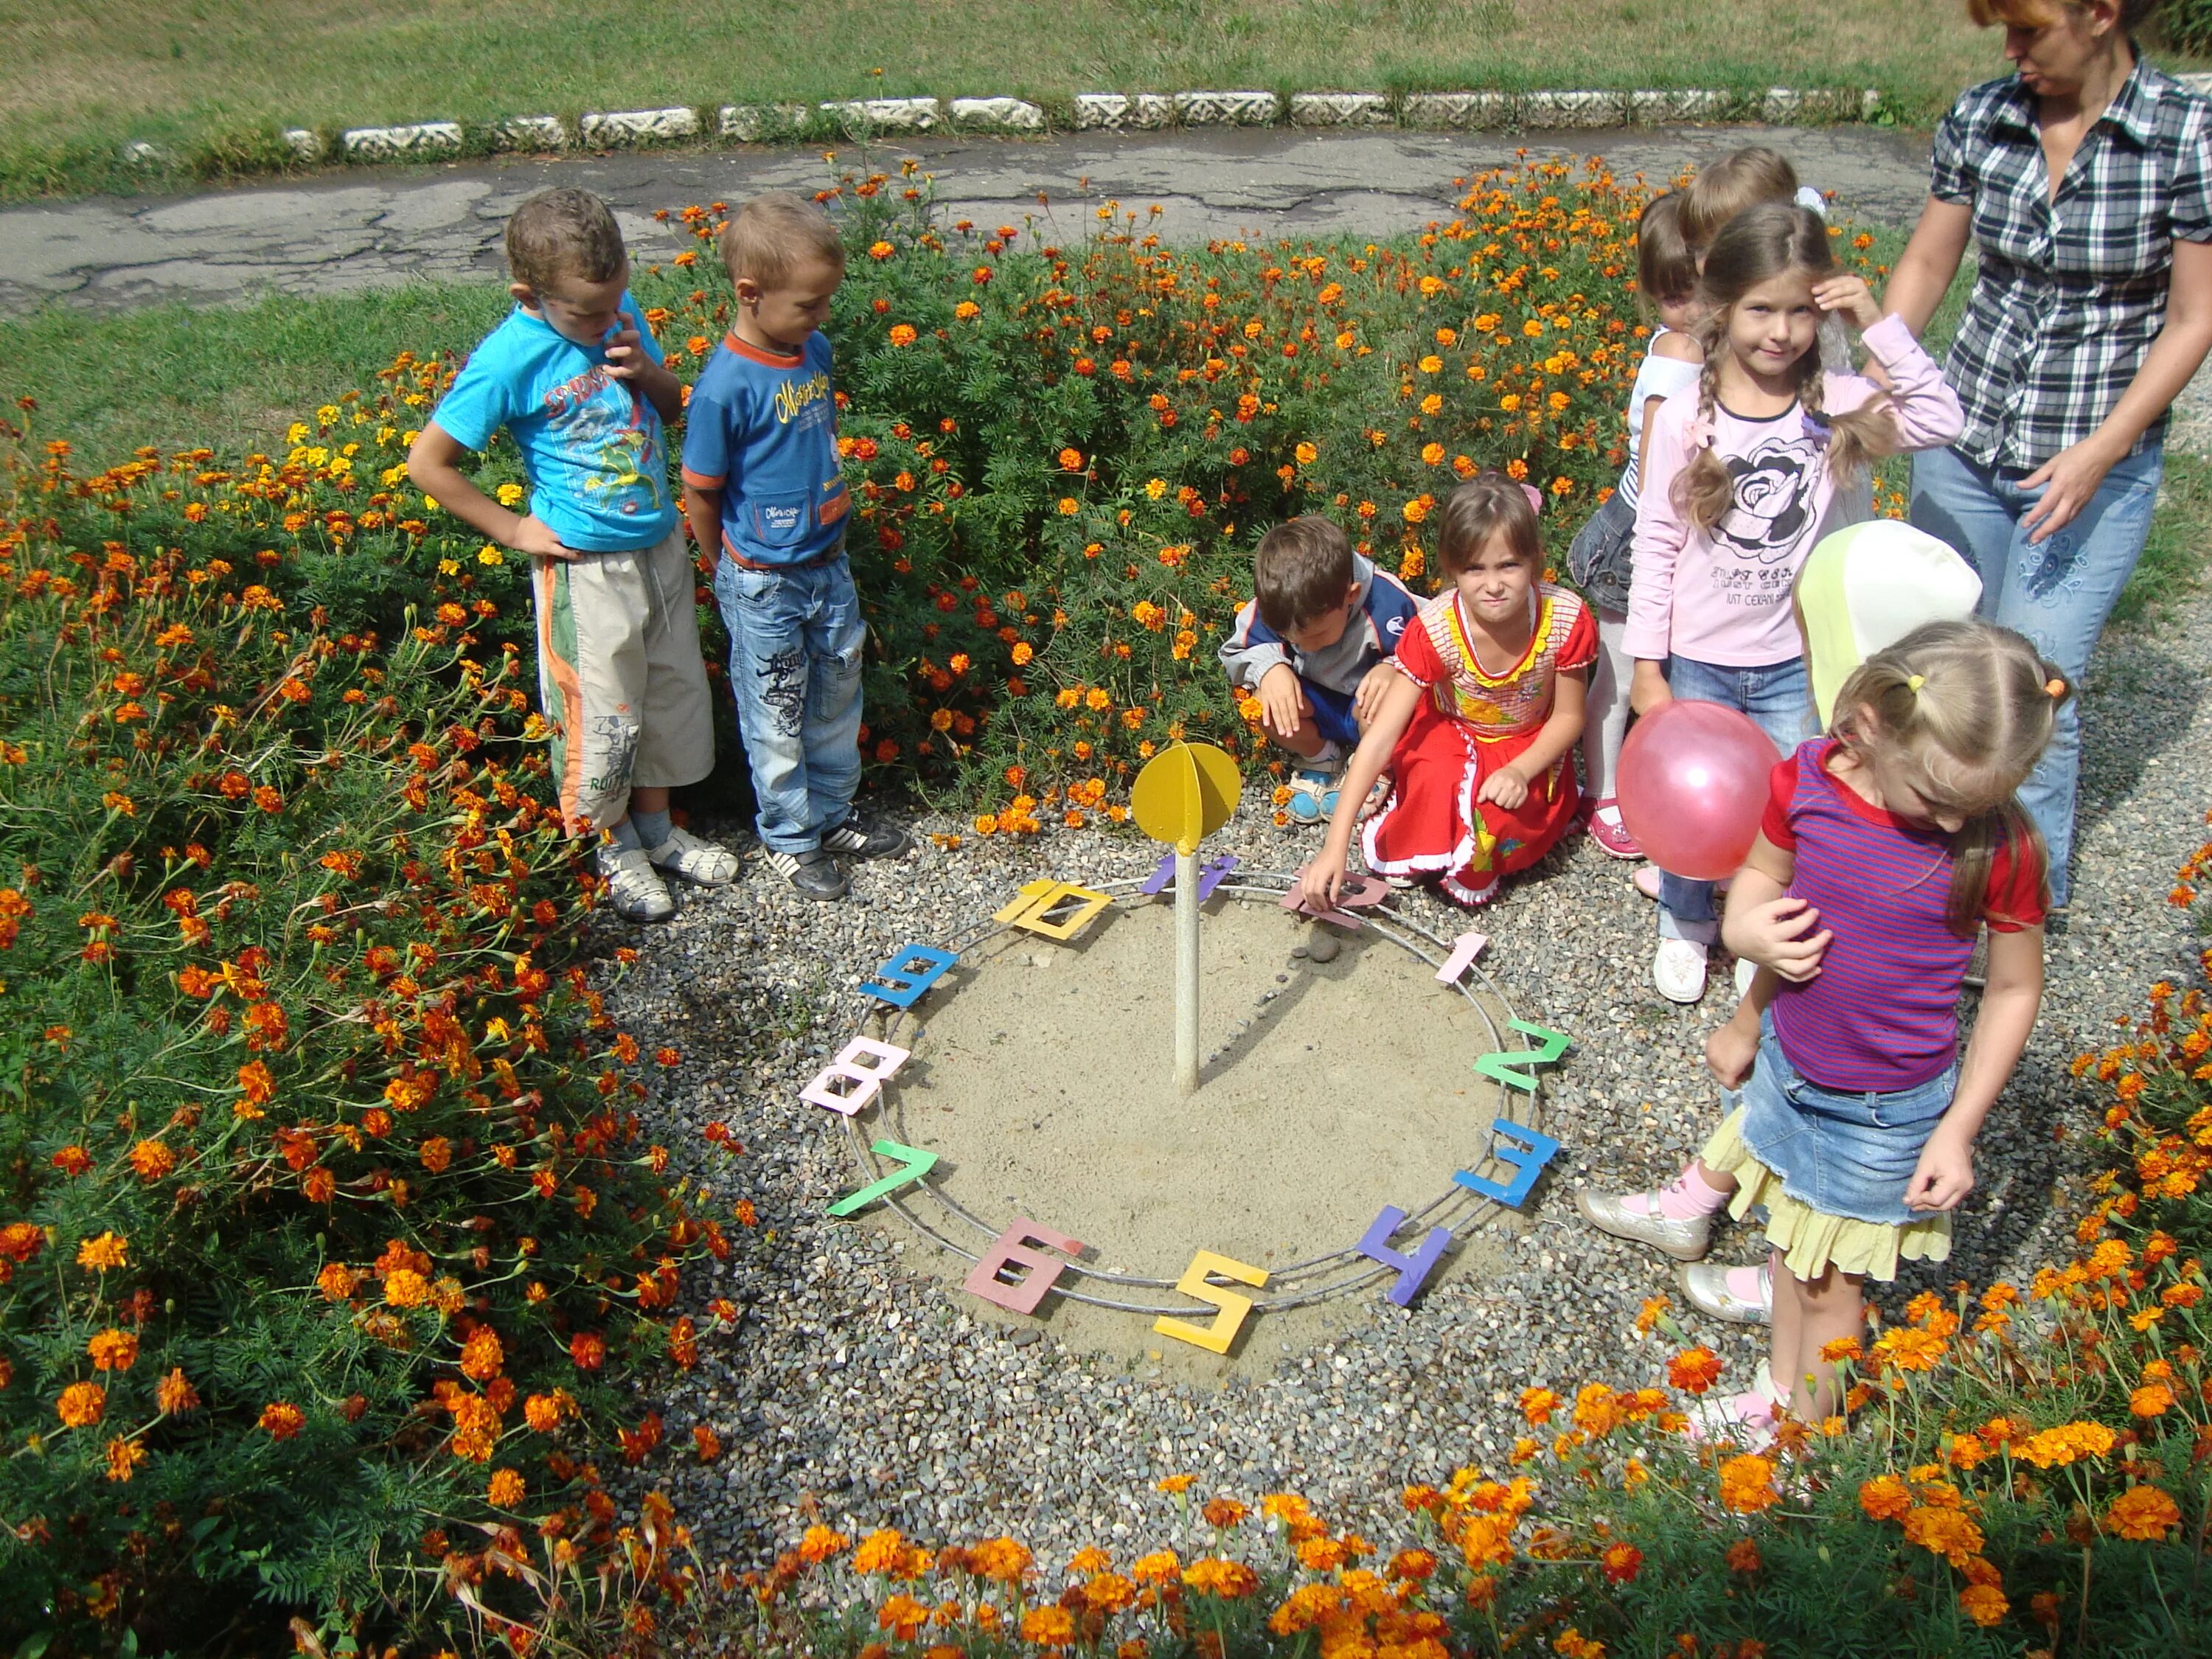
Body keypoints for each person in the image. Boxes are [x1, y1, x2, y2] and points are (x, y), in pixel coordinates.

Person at [1578, 620, 2063, 1433]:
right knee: (1788, 1244)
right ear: (1869, 730)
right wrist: (1743, 966)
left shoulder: (1999, 843)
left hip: (1883, 1110)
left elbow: (2014, 990)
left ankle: (1798, 1432)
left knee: (1830, 1287)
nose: (1951, 827)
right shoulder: (1808, 781)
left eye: (1971, 806)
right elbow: (1768, 892)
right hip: (1788, 1065)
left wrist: (1959, 1130)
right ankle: (1780, 1397)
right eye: (1939, 801)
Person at [1888, 0, 2212, 919]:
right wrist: (1878, 372)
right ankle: (1921, 882)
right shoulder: (1984, 116)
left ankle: (2014, 913)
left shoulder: (2184, 134)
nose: (2011, 50)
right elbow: (1927, 261)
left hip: (2091, 464)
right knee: (1946, 669)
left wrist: (2104, 451)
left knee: (2037, 686)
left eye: (2029, 29)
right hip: (1966, 442)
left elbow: (2194, 318)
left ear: (2101, 13)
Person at [1627, 203, 1965, 1003]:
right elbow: (1656, 544)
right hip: (1701, 658)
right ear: (1722, 307)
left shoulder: (1834, 402)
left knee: (1783, 814)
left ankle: (1760, 923)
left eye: (1800, 311)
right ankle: (1685, 919)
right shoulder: (1683, 415)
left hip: (1792, 662)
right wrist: (1648, 667)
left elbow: (1940, 419)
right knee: (1694, 805)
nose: (1780, 332)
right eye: (1760, 309)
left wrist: (1875, 319)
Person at [408, 187, 734, 925]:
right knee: (602, 711)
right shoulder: (509, 358)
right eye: (584, 314)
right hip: (585, 566)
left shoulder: (618, 318)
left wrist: (642, 370)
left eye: (613, 304)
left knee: (665, 691)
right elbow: (429, 462)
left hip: (656, 545)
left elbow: (670, 403)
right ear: (530, 294)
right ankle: (610, 843)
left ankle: (657, 827)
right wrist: (511, 528)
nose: (601, 323)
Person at [682, 192, 909, 902]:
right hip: (764, 580)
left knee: (838, 693)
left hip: (825, 563)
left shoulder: (813, 351)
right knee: (776, 709)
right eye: (808, 304)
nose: (821, 318)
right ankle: (788, 836)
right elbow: (700, 491)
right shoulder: (725, 388)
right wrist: (727, 570)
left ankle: (833, 814)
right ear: (750, 295)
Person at [1300, 475, 1593, 911]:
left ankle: (1463, 840)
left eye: (1508, 565)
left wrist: (1522, 770)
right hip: (1453, 731)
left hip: (1527, 741)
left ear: (1533, 560)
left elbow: (1569, 717)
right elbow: (1381, 735)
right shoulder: (1438, 629)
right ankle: (1415, 820)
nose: (1493, 585)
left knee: (1495, 817)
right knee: (1437, 779)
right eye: (1475, 568)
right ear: (1453, 568)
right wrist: (1333, 844)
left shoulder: (1565, 617)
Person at [1568, 192, 1702, 859]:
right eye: (1678, 295)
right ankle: (1603, 791)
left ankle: (1637, 778)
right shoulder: (1678, 362)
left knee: (1656, 672)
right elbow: (1654, 474)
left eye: (1707, 288)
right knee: (1618, 680)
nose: (1695, 307)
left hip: (1668, 533)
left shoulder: (1697, 346)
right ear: (1655, 295)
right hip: (1638, 538)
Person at [1220, 515, 1420, 821]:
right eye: (1292, 638)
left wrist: (1395, 665)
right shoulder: (1282, 599)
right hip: (1313, 702)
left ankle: (1376, 768)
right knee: (1259, 704)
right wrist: (1271, 668)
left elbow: (1434, 639)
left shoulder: (1388, 602)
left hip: (1366, 708)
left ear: (1350, 595)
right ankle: (1321, 758)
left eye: (1317, 635)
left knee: (1393, 696)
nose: (1307, 646)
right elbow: (1237, 649)